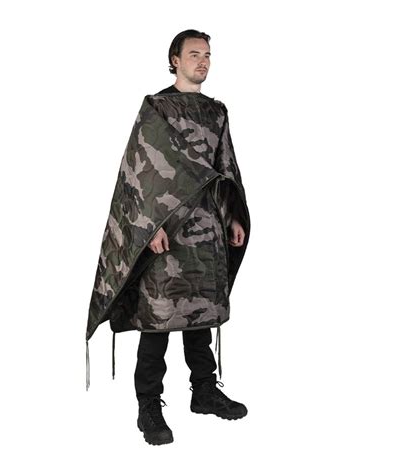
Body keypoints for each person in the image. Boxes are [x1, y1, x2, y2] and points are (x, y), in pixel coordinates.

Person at [133, 29, 249, 446]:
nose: (203, 61)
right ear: (175, 60)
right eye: (194, 54)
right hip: (168, 228)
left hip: (208, 225)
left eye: (207, 55)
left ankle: (204, 391)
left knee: (201, 312)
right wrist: (151, 225)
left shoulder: (217, 112)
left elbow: (225, 166)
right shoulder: (157, 108)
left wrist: (232, 216)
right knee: (159, 318)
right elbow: (143, 171)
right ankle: (149, 405)